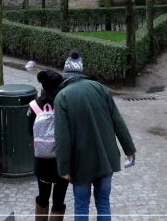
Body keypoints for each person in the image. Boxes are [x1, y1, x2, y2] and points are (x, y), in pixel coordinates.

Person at [53, 51, 135, 221]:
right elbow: (118, 121)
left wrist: (63, 168)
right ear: (81, 72)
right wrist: (129, 149)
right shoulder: (100, 89)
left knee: (81, 206)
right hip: (106, 160)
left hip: (81, 165)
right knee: (104, 203)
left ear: (65, 75)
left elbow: (62, 138)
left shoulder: (62, 97)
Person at [28, 69, 69, 221]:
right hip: (61, 162)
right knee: (59, 201)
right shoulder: (64, 105)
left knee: (43, 197)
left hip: (42, 162)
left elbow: (30, 131)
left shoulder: (34, 106)